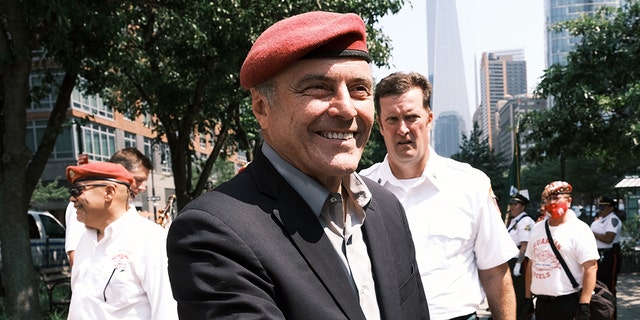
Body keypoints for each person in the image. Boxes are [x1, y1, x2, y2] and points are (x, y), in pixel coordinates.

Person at [166, 11, 429, 320]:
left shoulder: (386, 208)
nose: (346, 109)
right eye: (318, 87)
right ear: (262, 109)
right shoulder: (212, 233)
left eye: (359, 89)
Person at [359, 71, 517, 320]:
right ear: (380, 125)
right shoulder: (359, 189)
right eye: (392, 119)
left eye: (411, 117)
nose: (402, 129)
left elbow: (495, 272)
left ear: (429, 118)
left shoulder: (470, 184)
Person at [65, 162, 177, 319]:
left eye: (78, 190)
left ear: (109, 192)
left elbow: (166, 310)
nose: (72, 198)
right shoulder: (85, 239)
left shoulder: (150, 239)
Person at [524, 181, 599, 320]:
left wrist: (584, 303)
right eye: (548, 198)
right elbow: (531, 264)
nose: (552, 202)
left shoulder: (579, 230)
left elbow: (591, 267)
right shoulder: (537, 228)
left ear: (569, 201)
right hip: (541, 304)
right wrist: (528, 297)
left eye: (556, 198)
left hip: (567, 303)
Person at [65, 147, 153, 266]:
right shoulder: (82, 206)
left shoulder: (131, 208)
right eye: (138, 180)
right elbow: (75, 255)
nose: (142, 187)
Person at [505, 193, 535, 320]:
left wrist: (518, 264)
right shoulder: (515, 220)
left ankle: (521, 316)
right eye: (511, 204)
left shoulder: (525, 221)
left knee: (519, 293)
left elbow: (525, 244)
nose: (512, 206)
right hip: (511, 260)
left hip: (520, 262)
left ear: (523, 207)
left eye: (515, 204)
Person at [591, 196, 623, 296]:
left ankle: (611, 310)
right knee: (598, 284)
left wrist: (591, 233)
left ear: (611, 208)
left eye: (603, 207)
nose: (600, 209)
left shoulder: (612, 219)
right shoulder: (601, 220)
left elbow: (608, 238)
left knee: (609, 285)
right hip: (599, 254)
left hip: (609, 254)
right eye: (599, 207)